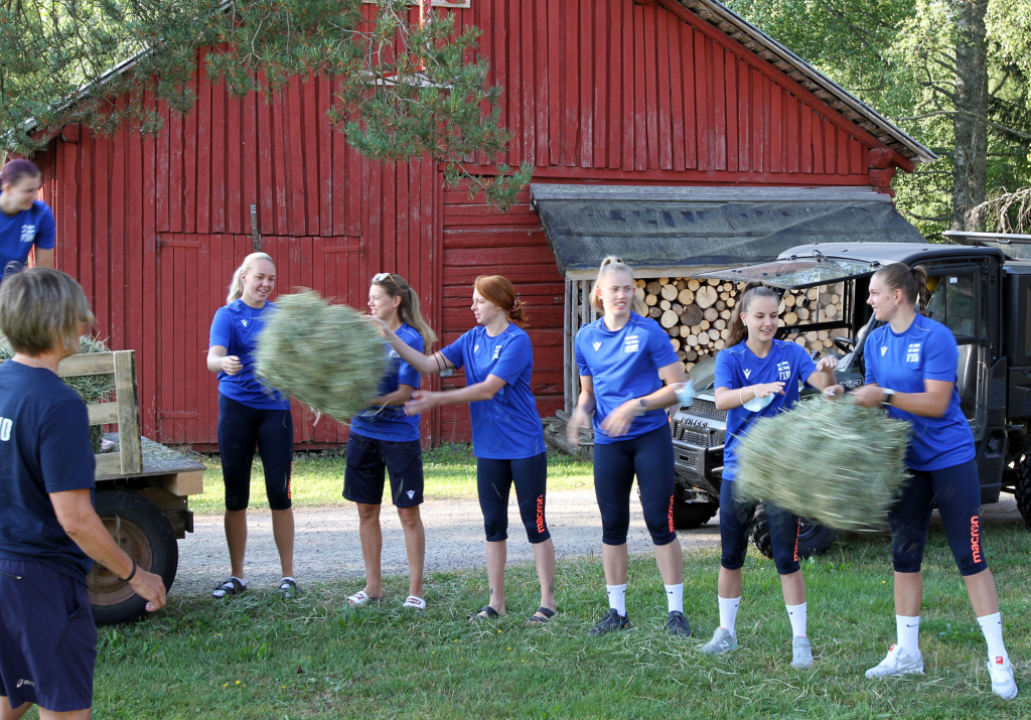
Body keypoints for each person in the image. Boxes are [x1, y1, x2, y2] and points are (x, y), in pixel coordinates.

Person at [0, 268, 165, 720]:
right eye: (78, 313)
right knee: (62, 705)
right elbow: (74, 518)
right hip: (43, 580)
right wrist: (135, 575)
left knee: (14, 693)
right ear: (54, 322)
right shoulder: (60, 405)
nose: (87, 322)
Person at [850, 263, 1017, 699]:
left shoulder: (935, 337)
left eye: (874, 293)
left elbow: (938, 400)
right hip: (906, 464)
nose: (869, 300)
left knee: (969, 555)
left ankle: (999, 658)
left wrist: (883, 395)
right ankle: (907, 654)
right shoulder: (875, 341)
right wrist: (838, 392)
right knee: (904, 556)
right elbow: (872, 398)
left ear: (898, 296)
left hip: (949, 459)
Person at [380, 275, 557, 624]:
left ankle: (547, 603)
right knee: (494, 526)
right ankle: (497, 604)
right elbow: (429, 365)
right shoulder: (472, 339)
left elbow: (488, 389)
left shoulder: (517, 342)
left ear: (500, 304)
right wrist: (390, 337)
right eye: (472, 300)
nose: (472, 306)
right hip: (489, 450)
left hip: (524, 449)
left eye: (479, 300)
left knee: (534, 525)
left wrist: (436, 399)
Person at [700, 283, 838, 668]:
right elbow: (722, 398)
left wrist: (827, 378)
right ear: (744, 318)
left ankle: (800, 642)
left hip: (781, 471)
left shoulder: (792, 353)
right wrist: (756, 388)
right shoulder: (730, 357)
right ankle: (725, 633)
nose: (768, 323)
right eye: (759, 316)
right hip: (739, 469)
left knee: (787, 558)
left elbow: (824, 387)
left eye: (774, 315)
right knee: (731, 556)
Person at [567, 256, 692, 637]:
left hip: (650, 438)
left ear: (632, 291)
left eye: (627, 288)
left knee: (660, 523)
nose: (621, 295)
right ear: (599, 294)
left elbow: (681, 388)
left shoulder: (650, 332)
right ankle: (616, 613)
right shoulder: (585, 338)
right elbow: (588, 394)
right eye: (614, 289)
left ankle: (676, 613)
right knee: (613, 526)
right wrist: (579, 414)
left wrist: (636, 404)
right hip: (609, 444)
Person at [206, 252, 299, 599]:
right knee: (235, 496)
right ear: (244, 277)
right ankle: (237, 576)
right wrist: (223, 361)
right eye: (260, 277)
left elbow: (295, 358)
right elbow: (212, 357)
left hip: (276, 412)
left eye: (271, 279)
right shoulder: (227, 316)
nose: (266, 284)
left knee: (280, 494)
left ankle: (288, 576)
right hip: (236, 410)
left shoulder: (280, 316)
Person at [344, 273, 436, 610]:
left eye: (376, 298)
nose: (370, 304)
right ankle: (374, 586)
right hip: (363, 435)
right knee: (366, 511)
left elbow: (403, 394)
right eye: (369, 298)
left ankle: (416, 591)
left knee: (408, 515)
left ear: (395, 302)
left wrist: (362, 400)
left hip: (399, 439)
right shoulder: (360, 335)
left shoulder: (410, 339)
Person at [0, 160, 54, 277]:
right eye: (28, 191)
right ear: (8, 189)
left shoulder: (41, 214)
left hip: (12, 285)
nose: (34, 196)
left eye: (36, 189)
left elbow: (42, 271)